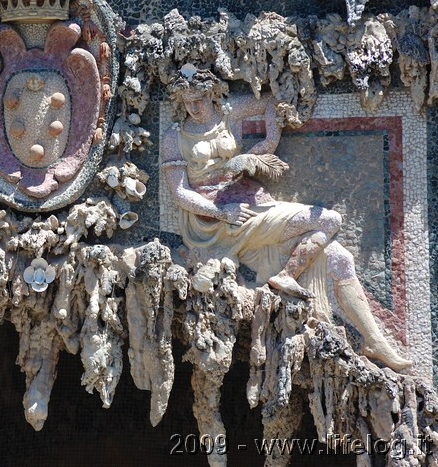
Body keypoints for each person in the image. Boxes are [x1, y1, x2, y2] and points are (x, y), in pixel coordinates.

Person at [161, 67, 411, 371]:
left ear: (211, 93)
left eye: (199, 99)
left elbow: (270, 102)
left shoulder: (228, 113)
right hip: (214, 222)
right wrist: (220, 213)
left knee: (340, 258)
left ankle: (374, 341)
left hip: (248, 204)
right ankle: (287, 276)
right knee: (329, 220)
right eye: (187, 101)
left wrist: (263, 148)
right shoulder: (174, 136)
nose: (194, 107)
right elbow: (179, 193)